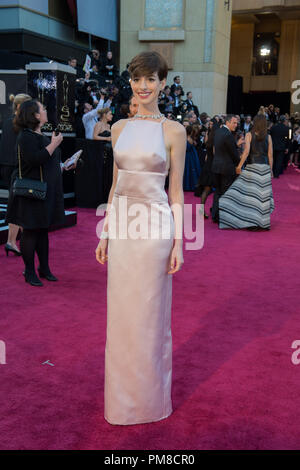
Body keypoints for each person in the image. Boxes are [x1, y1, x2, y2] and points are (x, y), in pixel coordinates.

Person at [95, 51, 186, 426]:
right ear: (130, 83)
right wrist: (105, 233)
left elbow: (177, 192)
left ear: (163, 83)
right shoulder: (118, 128)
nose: (143, 86)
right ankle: (121, 401)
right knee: (121, 318)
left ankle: (149, 402)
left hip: (153, 233)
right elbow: (115, 188)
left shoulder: (173, 131)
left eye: (151, 79)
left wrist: (179, 242)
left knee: (149, 317)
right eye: (137, 79)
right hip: (124, 231)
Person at [6, 100, 64, 287]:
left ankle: (44, 268)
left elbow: (46, 162)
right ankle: (30, 271)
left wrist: (63, 166)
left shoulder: (38, 135)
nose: (46, 110)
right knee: (30, 232)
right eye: (43, 109)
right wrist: (54, 144)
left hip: (43, 191)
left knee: (42, 231)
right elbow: (34, 160)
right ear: (36, 116)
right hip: (31, 193)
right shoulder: (26, 136)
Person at [219, 114, 274, 230]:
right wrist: (271, 170)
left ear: (254, 122)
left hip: (252, 168)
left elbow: (246, 152)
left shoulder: (249, 135)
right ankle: (263, 224)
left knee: (251, 197)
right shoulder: (268, 137)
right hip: (264, 169)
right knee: (262, 198)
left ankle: (252, 222)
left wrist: (239, 166)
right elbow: (270, 156)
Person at [0, 93, 31, 256]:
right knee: (19, 205)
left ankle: (13, 241)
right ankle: (15, 241)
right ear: (20, 106)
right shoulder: (20, 123)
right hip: (16, 168)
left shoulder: (7, 121)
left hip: (8, 167)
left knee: (17, 204)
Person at [211, 115, 241, 223]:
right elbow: (233, 153)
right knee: (225, 193)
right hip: (226, 168)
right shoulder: (228, 134)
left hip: (216, 166)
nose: (236, 125)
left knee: (218, 191)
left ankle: (215, 215)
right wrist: (239, 163)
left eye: (237, 123)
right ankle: (222, 218)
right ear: (227, 122)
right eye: (234, 123)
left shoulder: (218, 131)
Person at [194, 118, 221, 218]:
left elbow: (206, 147)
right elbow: (215, 152)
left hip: (207, 164)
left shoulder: (208, 134)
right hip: (212, 165)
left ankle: (206, 209)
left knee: (207, 189)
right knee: (209, 189)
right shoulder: (216, 137)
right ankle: (205, 210)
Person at [183, 125, 201, 191]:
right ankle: (192, 184)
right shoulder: (191, 138)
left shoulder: (187, 138)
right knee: (192, 170)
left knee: (188, 170)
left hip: (188, 156)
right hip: (192, 155)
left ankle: (188, 185)